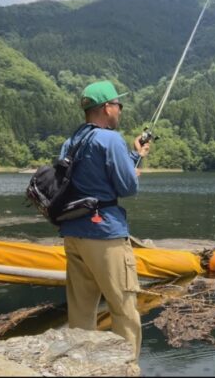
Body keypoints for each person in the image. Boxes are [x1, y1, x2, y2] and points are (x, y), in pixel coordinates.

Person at [58, 80, 150, 370]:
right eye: (118, 104)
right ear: (106, 108)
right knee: (124, 309)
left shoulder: (72, 140)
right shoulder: (110, 139)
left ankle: (82, 369)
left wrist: (134, 155)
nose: (120, 110)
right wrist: (135, 169)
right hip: (105, 235)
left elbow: (89, 180)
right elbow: (127, 187)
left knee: (81, 311)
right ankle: (127, 368)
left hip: (73, 233)